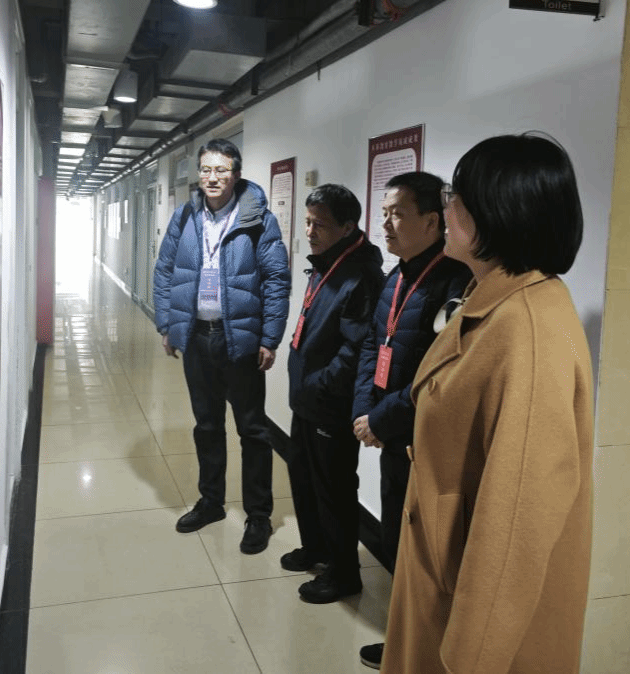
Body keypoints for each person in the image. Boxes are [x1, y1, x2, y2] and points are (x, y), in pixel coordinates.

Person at [380, 134, 593, 674]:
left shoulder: (527, 330)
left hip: (470, 616)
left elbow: (519, 514)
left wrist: (471, 656)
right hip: (443, 572)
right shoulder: (494, 300)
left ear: (499, 213)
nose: (446, 208)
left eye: (455, 196)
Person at [352, 171, 472, 668]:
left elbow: (437, 373)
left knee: (425, 550)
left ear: (432, 221)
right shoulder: (395, 275)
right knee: (395, 538)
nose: (385, 224)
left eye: (397, 214)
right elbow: (372, 344)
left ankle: (422, 650)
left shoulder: (455, 282)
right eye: (383, 213)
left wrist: (382, 419)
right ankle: (404, 639)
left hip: (422, 439)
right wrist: (365, 409)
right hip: (389, 430)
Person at [152, 138, 291, 554]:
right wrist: (167, 324)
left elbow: (277, 280)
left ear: (236, 174)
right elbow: (165, 271)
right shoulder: (185, 216)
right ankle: (211, 501)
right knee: (207, 426)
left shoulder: (258, 219)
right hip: (198, 336)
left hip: (240, 340)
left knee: (252, 430)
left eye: (221, 170)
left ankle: (259, 515)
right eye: (206, 169)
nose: (212, 178)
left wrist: (270, 337)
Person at [284, 184, 384, 603]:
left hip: (329, 402)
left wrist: (319, 385)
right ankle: (316, 548)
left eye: (319, 225)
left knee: (334, 489)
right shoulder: (325, 264)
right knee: (303, 479)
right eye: (307, 222)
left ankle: (344, 574)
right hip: (307, 398)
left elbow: (356, 350)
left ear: (346, 227)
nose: (309, 232)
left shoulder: (361, 275)